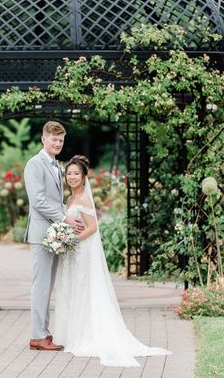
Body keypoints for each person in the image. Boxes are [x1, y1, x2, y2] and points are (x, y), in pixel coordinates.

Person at [52, 155, 171, 367]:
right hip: (72, 252)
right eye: (69, 173)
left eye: (76, 174)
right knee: (73, 289)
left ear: (84, 176)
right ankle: (72, 332)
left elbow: (92, 228)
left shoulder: (85, 200)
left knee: (84, 289)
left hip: (81, 251)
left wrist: (70, 241)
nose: (71, 177)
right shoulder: (69, 199)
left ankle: (86, 334)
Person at [23, 121, 85, 351]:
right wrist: (64, 218)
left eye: (60, 140)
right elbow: (37, 200)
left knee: (48, 286)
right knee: (41, 285)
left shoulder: (55, 166)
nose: (57, 143)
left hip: (54, 235)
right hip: (42, 234)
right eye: (53, 139)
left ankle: (43, 333)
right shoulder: (34, 164)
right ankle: (37, 336)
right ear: (43, 139)